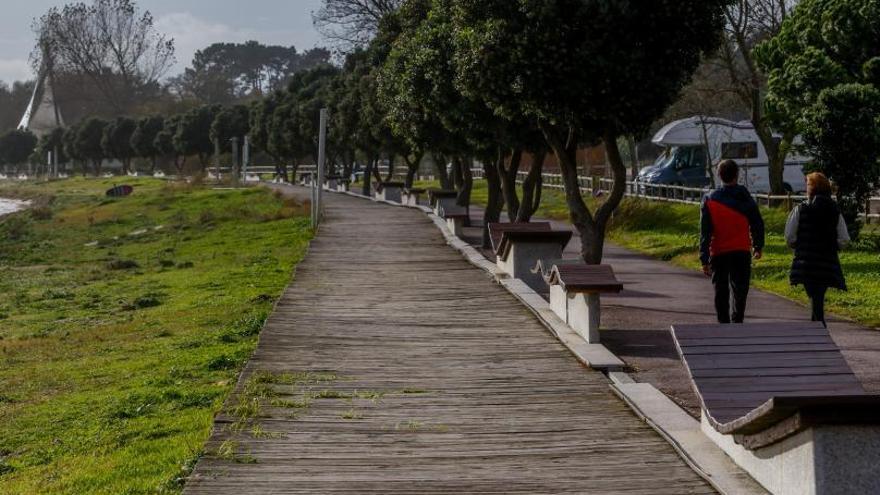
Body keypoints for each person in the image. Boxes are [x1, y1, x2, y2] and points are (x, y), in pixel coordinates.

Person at [700, 159, 765, 323]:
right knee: (740, 290)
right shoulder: (745, 198)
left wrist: (704, 258)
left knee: (720, 290)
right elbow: (757, 222)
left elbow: (705, 232)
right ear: (737, 175)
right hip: (741, 250)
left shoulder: (709, 200)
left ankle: (723, 324)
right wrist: (758, 246)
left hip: (719, 251)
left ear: (718, 175)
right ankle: (738, 321)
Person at [785, 172, 849, 327]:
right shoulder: (834, 210)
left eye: (807, 184)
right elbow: (844, 238)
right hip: (827, 262)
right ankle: (818, 326)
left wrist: (798, 245)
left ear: (812, 188)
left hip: (806, 262)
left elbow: (790, 236)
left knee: (815, 297)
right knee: (817, 296)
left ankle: (819, 328)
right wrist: (834, 247)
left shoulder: (801, 209)